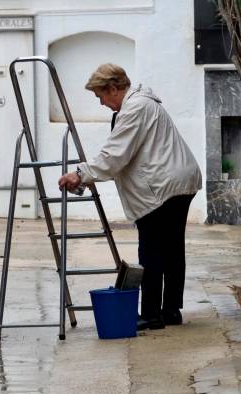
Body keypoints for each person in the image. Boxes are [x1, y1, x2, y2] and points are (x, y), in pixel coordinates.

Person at [58, 63, 202, 331]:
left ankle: (151, 314)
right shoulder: (143, 103)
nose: (102, 103)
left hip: (163, 186)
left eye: (101, 96)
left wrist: (81, 173)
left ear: (114, 88)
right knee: (171, 248)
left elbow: (115, 155)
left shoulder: (135, 108)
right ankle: (170, 310)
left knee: (151, 250)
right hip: (180, 180)